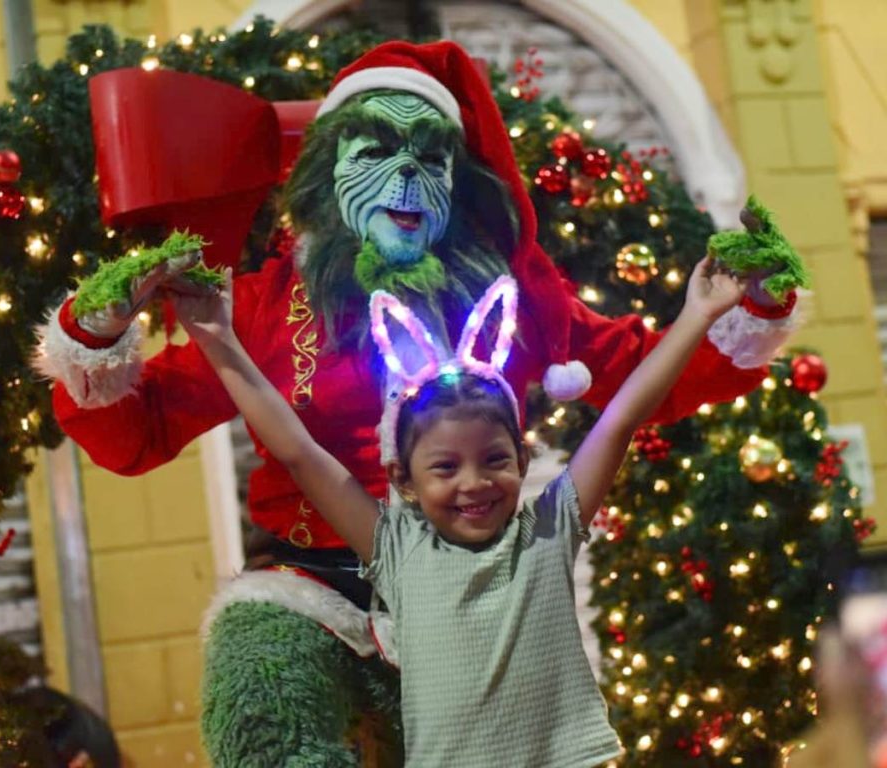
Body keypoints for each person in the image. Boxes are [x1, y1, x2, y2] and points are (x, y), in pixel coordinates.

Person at [171, 251, 746, 767]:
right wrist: (220, 340)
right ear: (404, 478)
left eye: (494, 459)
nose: (474, 483)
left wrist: (698, 313)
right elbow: (297, 451)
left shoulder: (548, 531)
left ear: (522, 459)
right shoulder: (396, 548)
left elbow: (621, 417)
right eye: (445, 468)